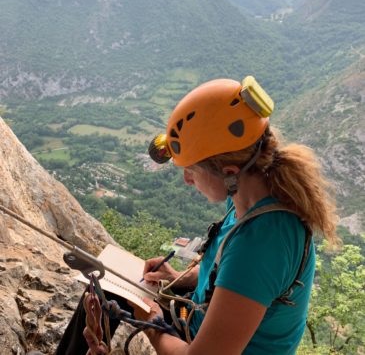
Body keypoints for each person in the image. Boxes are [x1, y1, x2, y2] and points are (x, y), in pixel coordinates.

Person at [56, 76, 338, 355]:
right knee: (105, 290)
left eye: (191, 170)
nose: (186, 180)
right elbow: (227, 278)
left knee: (117, 297)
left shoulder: (260, 245)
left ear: (229, 172)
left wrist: (152, 324)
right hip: (199, 319)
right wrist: (183, 278)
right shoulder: (251, 196)